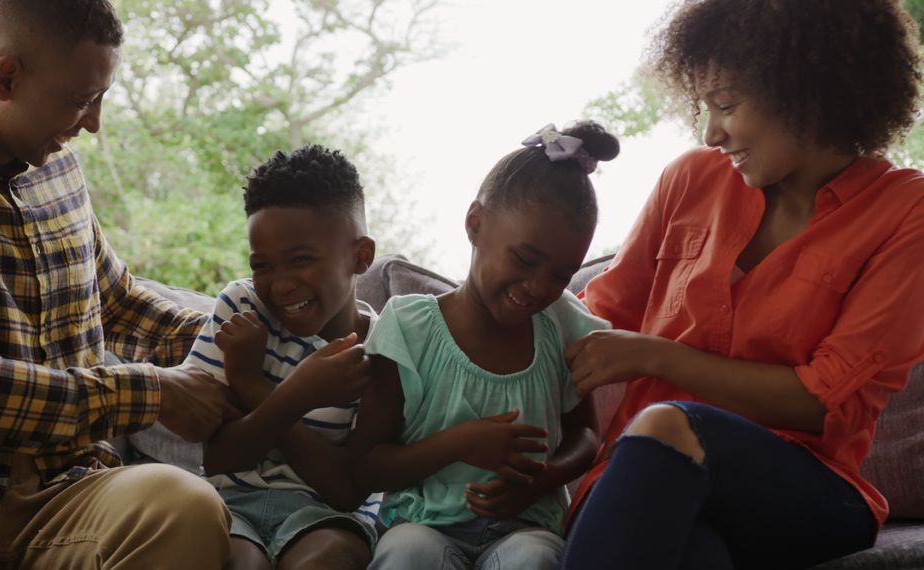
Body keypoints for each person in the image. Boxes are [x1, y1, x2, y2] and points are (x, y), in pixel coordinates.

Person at [0, 1, 245, 568]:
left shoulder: (57, 169)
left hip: (70, 493)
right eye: (81, 101)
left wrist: (257, 330)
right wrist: (152, 391)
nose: (95, 123)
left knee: (183, 504)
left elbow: (120, 307)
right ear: (5, 77)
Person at [560, 1, 924, 568]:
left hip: (805, 490)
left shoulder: (906, 213)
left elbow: (822, 403)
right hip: (642, 475)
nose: (711, 133)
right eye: (705, 108)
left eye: (726, 106)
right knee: (692, 551)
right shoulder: (690, 179)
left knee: (665, 423)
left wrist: (660, 358)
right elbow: (589, 320)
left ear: (803, 88)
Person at [348, 122, 617, 570]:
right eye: (526, 260)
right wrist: (459, 443)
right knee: (407, 553)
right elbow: (366, 466)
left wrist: (542, 479)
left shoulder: (559, 327)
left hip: (525, 526)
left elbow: (586, 436)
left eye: (560, 275)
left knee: (534, 559)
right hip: (422, 524)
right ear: (475, 224)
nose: (537, 287)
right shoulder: (409, 329)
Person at [184, 145, 381, 570]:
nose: (280, 285)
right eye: (263, 265)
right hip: (229, 502)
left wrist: (253, 386)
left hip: (331, 517)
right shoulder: (241, 310)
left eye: (300, 260)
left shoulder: (385, 349)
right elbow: (218, 458)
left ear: (360, 256)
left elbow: (347, 489)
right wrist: (299, 394)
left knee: (326, 559)